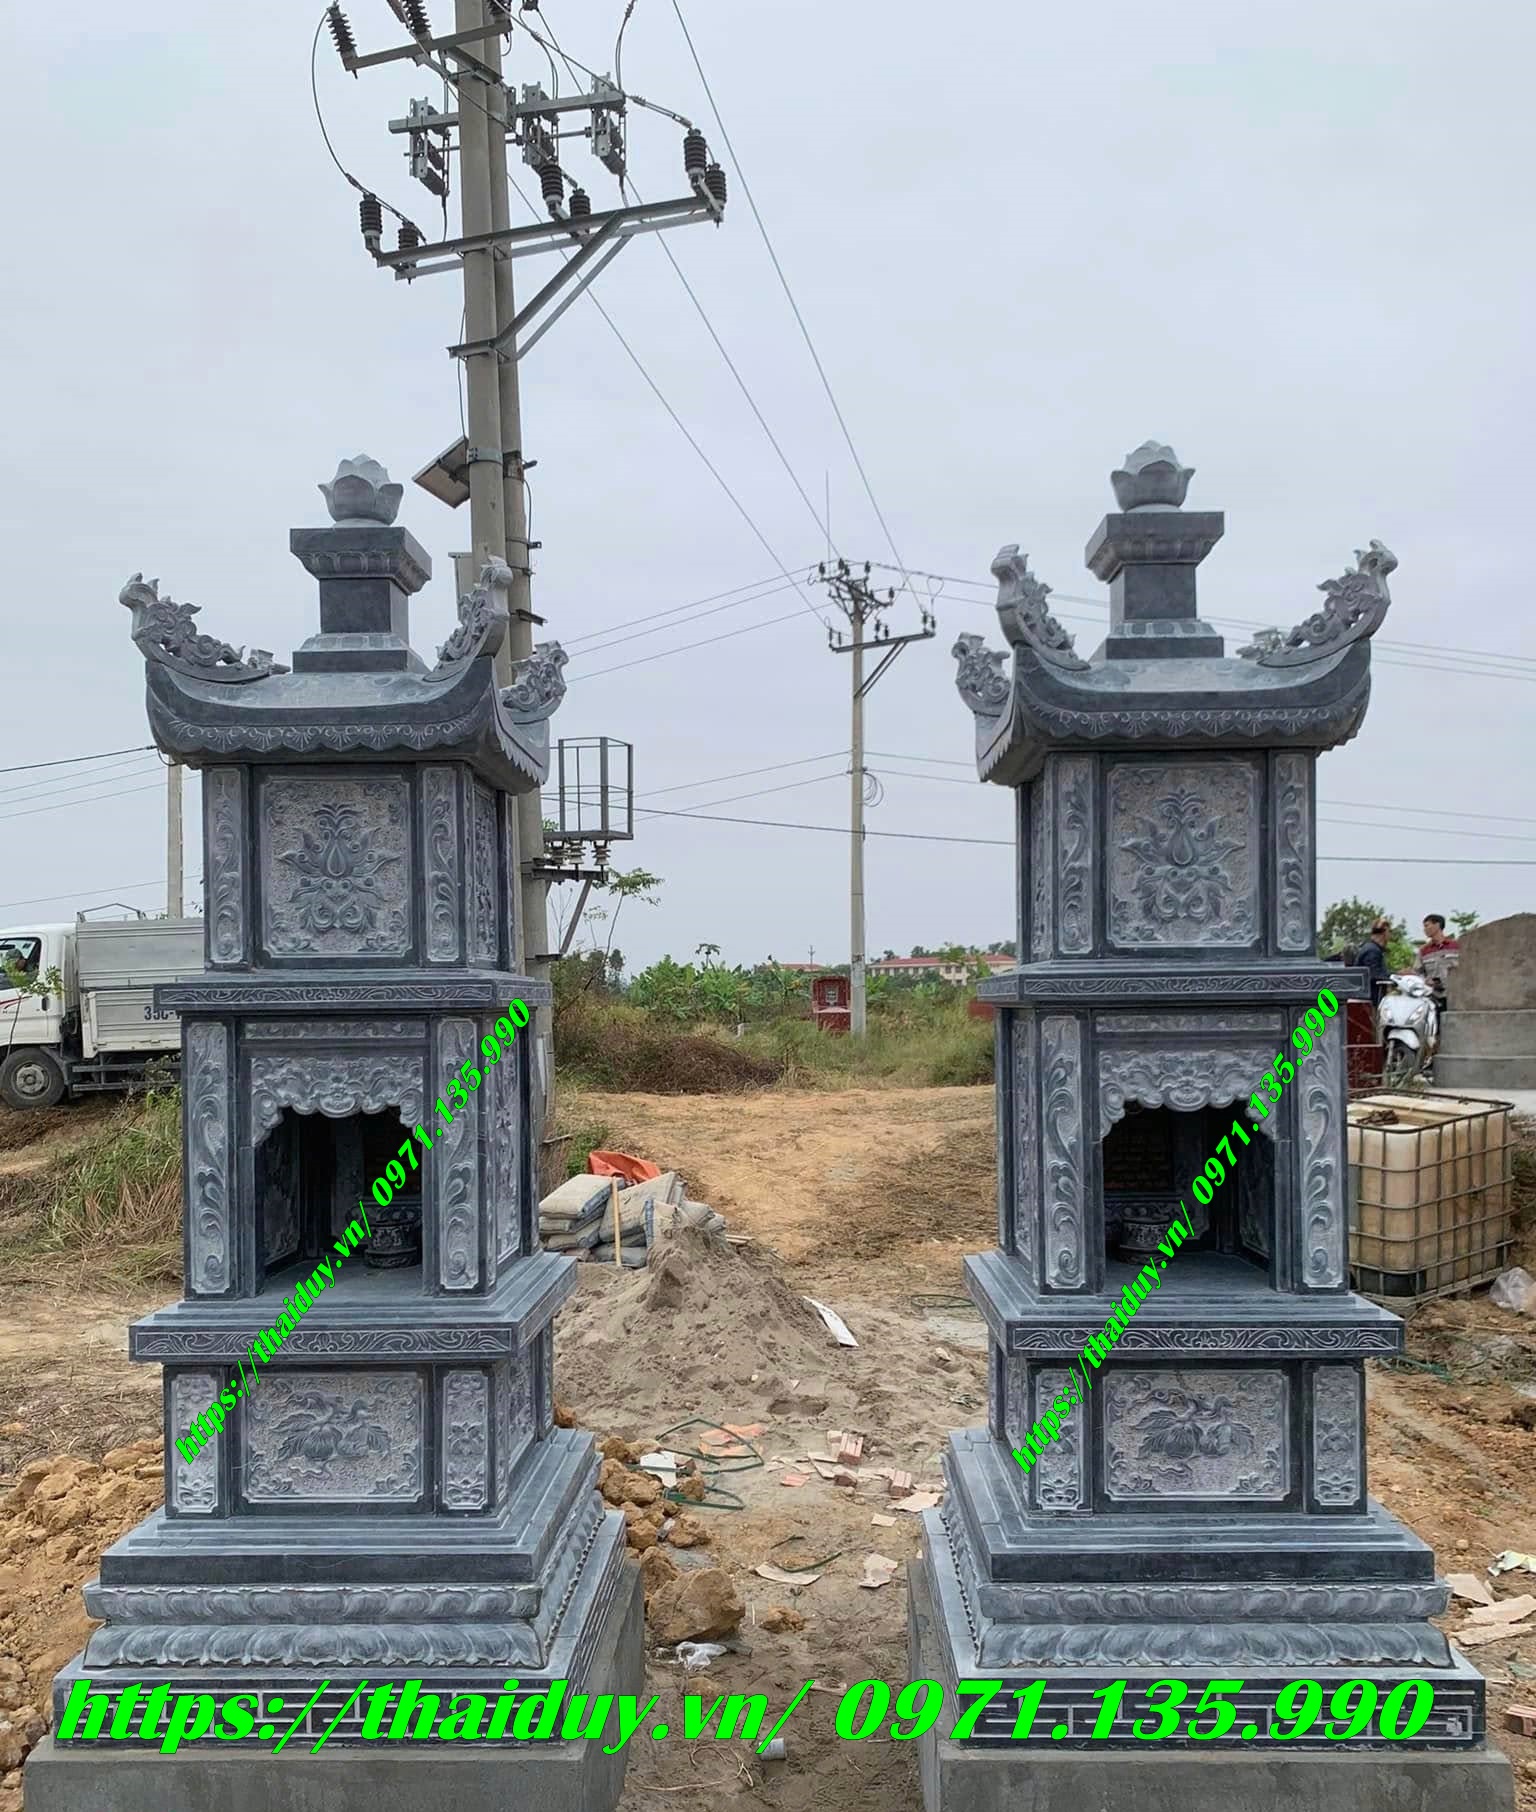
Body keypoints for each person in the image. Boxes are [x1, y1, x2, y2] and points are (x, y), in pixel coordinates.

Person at [1416, 914, 1461, 1001]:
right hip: (1433, 997)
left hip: (1456, 995)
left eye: (1427, 926)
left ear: (1437, 925)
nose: (1424, 929)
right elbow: (1418, 973)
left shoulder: (1456, 946)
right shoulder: (1423, 951)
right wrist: (1425, 981)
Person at [1354, 917, 1393, 1001]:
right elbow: (1375, 975)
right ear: (1384, 932)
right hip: (1371, 1000)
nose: (1390, 935)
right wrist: (1397, 977)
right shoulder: (1372, 951)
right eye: (1390, 931)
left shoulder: (1371, 948)